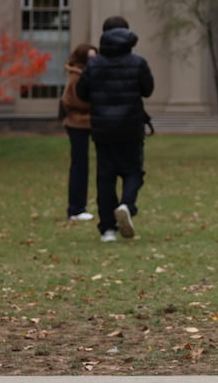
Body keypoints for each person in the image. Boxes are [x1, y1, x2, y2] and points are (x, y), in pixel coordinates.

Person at [77, 17, 154, 243]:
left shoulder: (94, 64)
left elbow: (82, 93)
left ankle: (107, 228)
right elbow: (148, 90)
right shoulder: (138, 63)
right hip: (130, 126)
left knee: (105, 178)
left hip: (102, 129)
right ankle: (127, 205)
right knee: (133, 171)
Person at [60, 43, 97, 222]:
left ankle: (78, 207)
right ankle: (76, 208)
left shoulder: (88, 76)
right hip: (77, 125)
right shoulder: (77, 78)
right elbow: (70, 101)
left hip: (88, 124)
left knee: (84, 165)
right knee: (79, 166)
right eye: (90, 57)